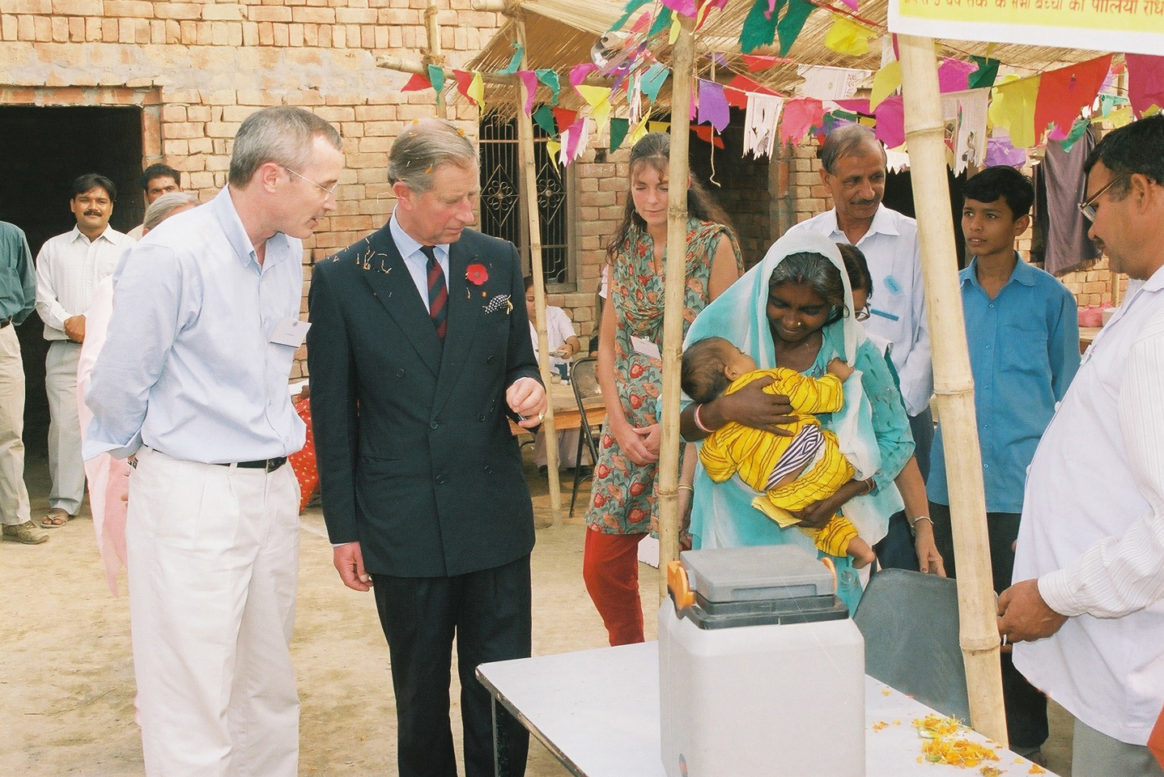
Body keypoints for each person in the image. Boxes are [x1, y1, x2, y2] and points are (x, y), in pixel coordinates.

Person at [84, 106, 343, 777]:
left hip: (269, 490)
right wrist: (169, 457)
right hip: (191, 491)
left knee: (267, 683)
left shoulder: (287, 253)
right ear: (272, 176)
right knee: (189, 692)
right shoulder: (171, 254)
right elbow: (116, 387)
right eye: (324, 185)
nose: (331, 202)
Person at [307, 118, 546, 777]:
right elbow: (332, 417)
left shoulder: (495, 258)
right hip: (402, 521)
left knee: (499, 687)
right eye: (451, 199)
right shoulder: (344, 278)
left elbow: (519, 363)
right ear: (402, 193)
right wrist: (344, 529)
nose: (466, 212)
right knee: (418, 696)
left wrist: (528, 390)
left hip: (492, 515)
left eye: (470, 197)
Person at [998, 114, 1164, 777]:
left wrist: (1059, 590)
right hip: (1115, 657)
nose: (1089, 226)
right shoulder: (1144, 297)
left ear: (1144, 193)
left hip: (1136, 672)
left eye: (1095, 204)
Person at [681, 232, 941, 611]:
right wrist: (726, 410)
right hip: (733, 537)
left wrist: (845, 498)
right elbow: (680, 424)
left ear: (834, 307)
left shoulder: (853, 353)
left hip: (821, 533)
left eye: (810, 310)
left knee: (819, 648)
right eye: (780, 304)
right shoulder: (727, 340)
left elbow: (896, 442)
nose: (791, 320)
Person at [927, 166, 1078, 763]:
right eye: (968, 213)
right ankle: (955, 730)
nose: (974, 226)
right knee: (953, 609)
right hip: (950, 482)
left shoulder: (1052, 299)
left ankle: (1023, 742)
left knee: (1016, 619)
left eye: (990, 215)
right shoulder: (944, 291)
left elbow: (1068, 394)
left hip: (1023, 487)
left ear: (1020, 224)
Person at [583, 131, 742, 646]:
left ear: (686, 185)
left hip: (692, 430)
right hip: (626, 430)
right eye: (641, 186)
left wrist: (676, 428)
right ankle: (627, 651)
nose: (652, 198)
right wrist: (619, 422)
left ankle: (690, 666)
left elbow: (728, 352)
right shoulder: (622, 251)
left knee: (685, 567)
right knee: (601, 564)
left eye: (663, 186)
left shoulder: (711, 244)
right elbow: (607, 346)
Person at [785, 124, 933, 570]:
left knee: (902, 535)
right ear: (825, 178)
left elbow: (932, 331)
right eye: (853, 180)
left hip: (902, 413)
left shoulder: (916, 238)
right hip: (822, 417)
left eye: (877, 177)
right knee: (832, 533)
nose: (868, 191)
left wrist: (895, 406)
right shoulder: (801, 241)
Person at [77, 191, 199, 593]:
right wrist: (132, 450)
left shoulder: (204, 286)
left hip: (195, 452)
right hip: (142, 453)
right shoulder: (114, 289)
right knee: (159, 571)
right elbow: (97, 374)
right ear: (147, 235)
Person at [681, 336, 875, 567]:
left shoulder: (717, 438)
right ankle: (861, 482)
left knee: (818, 525)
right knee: (838, 439)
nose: (746, 354)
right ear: (732, 371)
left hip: (791, 495)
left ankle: (860, 550)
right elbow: (819, 398)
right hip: (826, 460)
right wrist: (834, 378)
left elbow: (717, 471)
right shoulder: (767, 381)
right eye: (740, 352)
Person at [35, 173, 133, 529]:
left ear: (111, 207)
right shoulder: (53, 248)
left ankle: (117, 498)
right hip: (64, 348)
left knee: (116, 421)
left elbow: (131, 295)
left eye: (101, 201)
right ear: (72, 205)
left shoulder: (127, 248)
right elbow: (42, 297)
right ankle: (64, 501)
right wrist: (69, 323)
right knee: (64, 426)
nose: (93, 206)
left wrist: (92, 321)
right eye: (85, 199)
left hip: (112, 350)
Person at [0, 220, 45, 545]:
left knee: (9, 432)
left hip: (2, 335)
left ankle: (15, 518)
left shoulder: (12, 235)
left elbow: (28, 294)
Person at [524, 275, 587, 473]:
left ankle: (576, 460)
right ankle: (546, 461)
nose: (537, 305)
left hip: (561, 376)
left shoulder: (556, 314)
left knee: (573, 412)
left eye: (541, 299)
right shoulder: (516, 319)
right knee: (544, 411)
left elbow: (575, 342)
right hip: (534, 380)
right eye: (531, 300)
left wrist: (568, 347)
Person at [126, 163, 182, 240]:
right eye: (156, 191)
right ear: (146, 196)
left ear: (181, 191)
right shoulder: (134, 238)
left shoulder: (199, 228)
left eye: (169, 189)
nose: (164, 195)